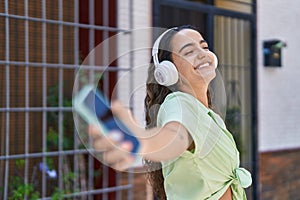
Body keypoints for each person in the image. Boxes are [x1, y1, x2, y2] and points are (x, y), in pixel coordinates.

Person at [88, 25, 252, 200]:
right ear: (168, 71)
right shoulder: (180, 105)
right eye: (189, 52)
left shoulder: (211, 116)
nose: (203, 54)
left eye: (204, 47)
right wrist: (142, 141)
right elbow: (175, 136)